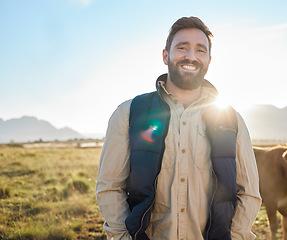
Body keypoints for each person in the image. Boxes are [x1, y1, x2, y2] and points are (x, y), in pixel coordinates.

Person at [96, 16, 261, 240]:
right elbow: (110, 187)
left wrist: (237, 237)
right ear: (166, 56)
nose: (191, 56)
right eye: (182, 48)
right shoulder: (129, 113)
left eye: (200, 50)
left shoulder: (231, 120)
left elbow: (248, 193)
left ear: (209, 61)